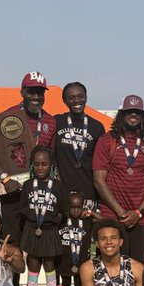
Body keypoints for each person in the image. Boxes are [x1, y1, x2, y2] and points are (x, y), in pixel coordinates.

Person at [0, 72, 57, 249]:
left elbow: (53, 156)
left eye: (40, 92)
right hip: (13, 190)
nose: (36, 97)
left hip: (39, 192)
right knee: (12, 244)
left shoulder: (50, 121)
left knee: (39, 244)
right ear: (22, 92)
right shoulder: (7, 116)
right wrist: (5, 178)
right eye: (31, 92)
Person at [92, 94, 144, 263]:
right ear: (121, 114)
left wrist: (138, 213)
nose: (133, 115)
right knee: (110, 267)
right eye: (129, 111)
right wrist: (121, 212)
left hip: (142, 219)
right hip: (112, 216)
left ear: (143, 116)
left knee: (138, 268)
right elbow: (99, 180)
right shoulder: (107, 141)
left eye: (137, 112)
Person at [20, 145, 65, 286]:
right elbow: (23, 208)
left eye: (44, 164)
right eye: (36, 164)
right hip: (32, 230)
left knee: (49, 265)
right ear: (32, 165)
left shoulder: (58, 186)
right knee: (33, 264)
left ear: (51, 165)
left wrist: (53, 220)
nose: (40, 168)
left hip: (50, 231)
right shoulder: (27, 185)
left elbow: (63, 210)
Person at [53, 81, 105, 215]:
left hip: (88, 192)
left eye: (80, 96)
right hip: (61, 192)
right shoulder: (57, 122)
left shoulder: (97, 127)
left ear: (86, 97)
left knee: (85, 227)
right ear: (64, 101)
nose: (77, 100)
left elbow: (101, 162)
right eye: (71, 97)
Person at [57, 190, 92, 286]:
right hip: (64, 259)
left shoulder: (87, 222)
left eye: (79, 207)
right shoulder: (61, 221)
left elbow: (102, 219)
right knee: (65, 282)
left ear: (83, 207)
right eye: (72, 207)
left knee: (79, 283)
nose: (76, 210)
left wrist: (90, 213)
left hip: (80, 260)